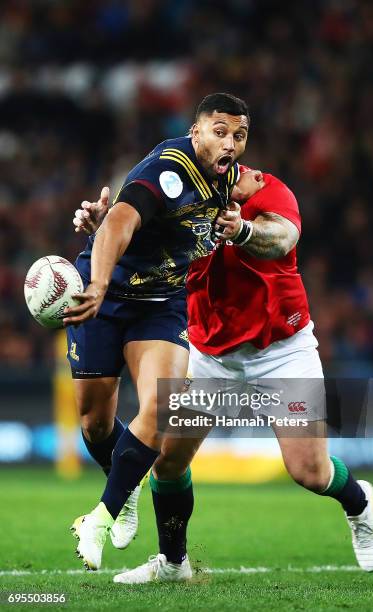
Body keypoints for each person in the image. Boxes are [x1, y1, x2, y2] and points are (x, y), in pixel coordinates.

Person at [75, 168, 373, 584]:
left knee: (309, 472)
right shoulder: (178, 199)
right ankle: (173, 564)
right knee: (167, 464)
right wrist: (105, 229)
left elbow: (282, 238)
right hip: (210, 357)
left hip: (280, 352)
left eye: (232, 138)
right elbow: (142, 244)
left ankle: (359, 501)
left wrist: (241, 230)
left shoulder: (266, 190)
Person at [64, 92, 250, 572]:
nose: (230, 143)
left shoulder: (228, 178)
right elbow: (120, 224)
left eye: (239, 135)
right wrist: (100, 282)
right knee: (94, 423)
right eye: (220, 131)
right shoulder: (168, 172)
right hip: (107, 295)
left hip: (161, 304)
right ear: (195, 132)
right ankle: (122, 493)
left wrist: (238, 222)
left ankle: (100, 518)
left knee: (162, 405)